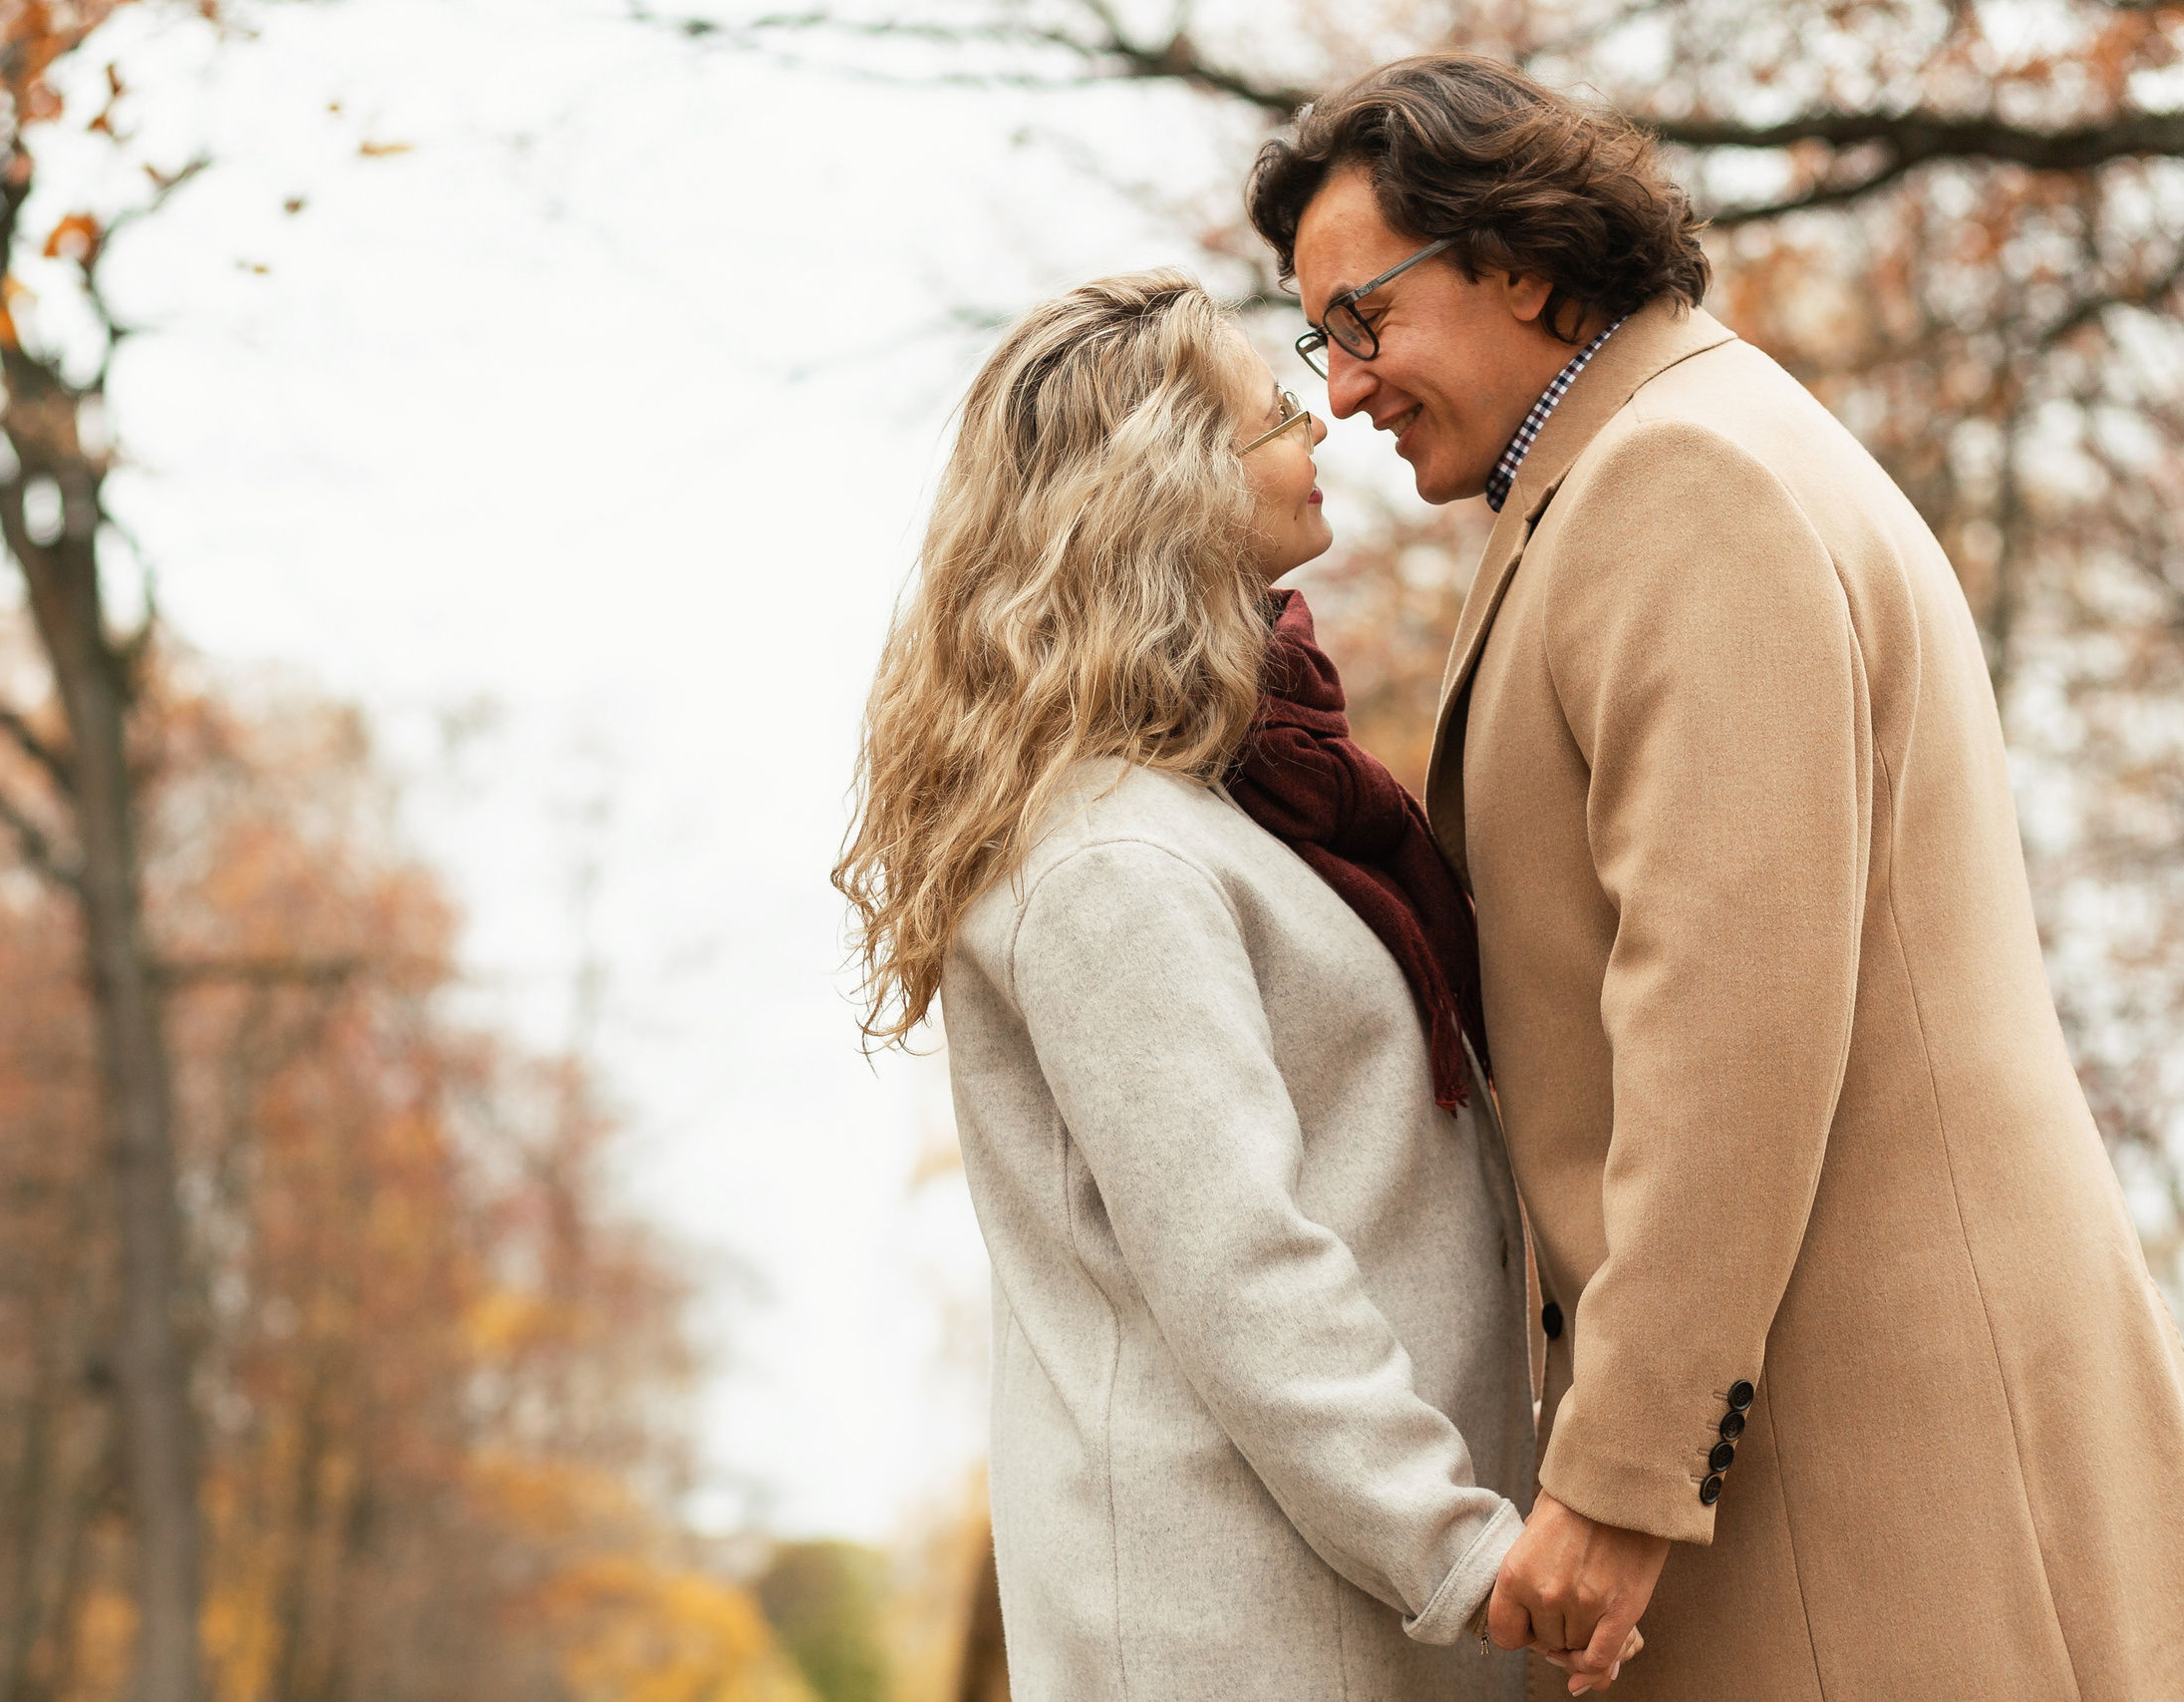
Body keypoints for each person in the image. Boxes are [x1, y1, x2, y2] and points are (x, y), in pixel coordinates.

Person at [1246, 54, 2184, 1699]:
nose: (1339, 388)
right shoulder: (1659, 458)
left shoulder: (1683, 484)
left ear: (1520, 261)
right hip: (1858, 1454)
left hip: (1869, 1477)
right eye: (1319, 339)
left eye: (1363, 319)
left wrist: (1619, 1471)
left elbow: (1726, 1022)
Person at [833, 269, 1632, 1698]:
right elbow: (1236, 1267)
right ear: (1169, 482)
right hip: (1248, 1634)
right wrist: (1463, 1552)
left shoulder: (1236, 817)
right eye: (1273, 410)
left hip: (1347, 1606)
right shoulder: (1109, 863)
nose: (1322, 421)